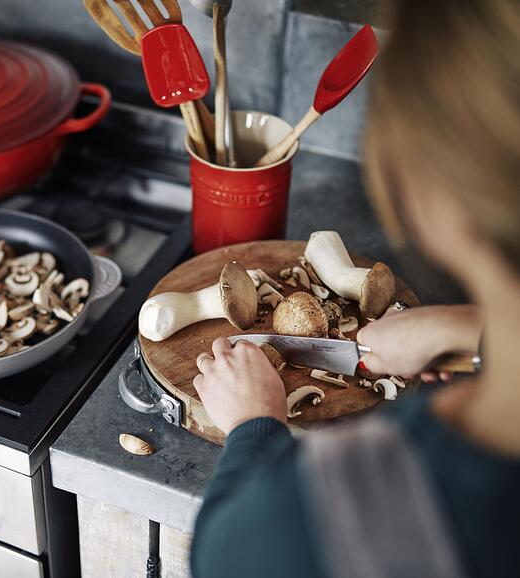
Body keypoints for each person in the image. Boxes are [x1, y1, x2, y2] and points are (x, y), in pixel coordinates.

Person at [189, 1, 520, 576]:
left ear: (432, 198)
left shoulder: (321, 515)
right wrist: (469, 327)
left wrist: (253, 428)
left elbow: (226, 554)